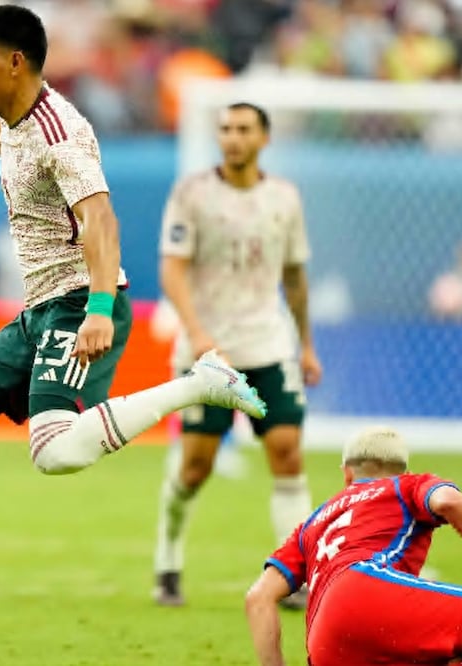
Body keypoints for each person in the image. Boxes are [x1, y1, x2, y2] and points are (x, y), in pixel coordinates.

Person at [0, 4, 267, 637]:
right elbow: (6, 145)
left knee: (56, 453)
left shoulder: (59, 129)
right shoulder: (19, 122)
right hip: (39, 311)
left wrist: (98, 308)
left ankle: (201, 383)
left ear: (15, 62)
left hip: (77, 304)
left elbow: (100, 216)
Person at [152, 102, 323, 609]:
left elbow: (294, 276)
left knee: (287, 451)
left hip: (268, 345)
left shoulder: (284, 198)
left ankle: (294, 577)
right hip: (208, 352)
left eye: (243, 129)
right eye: (225, 129)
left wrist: (307, 343)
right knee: (195, 468)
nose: (232, 137)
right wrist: (197, 332)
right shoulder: (192, 193)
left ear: (264, 138)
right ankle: (168, 557)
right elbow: (172, 270)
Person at [245, 426, 462, 666]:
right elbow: (449, 500)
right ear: (403, 468)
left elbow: (258, 598)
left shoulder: (312, 523)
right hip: (366, 587)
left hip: (324, 643)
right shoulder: (405, 485)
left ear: (347, 473)